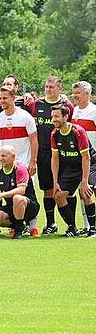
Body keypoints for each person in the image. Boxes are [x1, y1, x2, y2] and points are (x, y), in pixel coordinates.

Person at [0, 85, 39, 236]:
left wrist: (33, 161)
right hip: (5, 163)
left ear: (13, 98)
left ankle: (33, 227)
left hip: (23, 163)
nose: (1, 101)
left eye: (5, 98)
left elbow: (34, 140)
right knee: (8, 197)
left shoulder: (25, 117)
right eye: (0, 98)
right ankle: (16, 226)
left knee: (27, 194)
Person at [26, 77, 74, 234]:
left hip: (64, 153)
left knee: (67, 190)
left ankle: (71, 225)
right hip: (44, 153)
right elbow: (11, 100)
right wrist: (25, 96)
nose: (48, 89)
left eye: (52, 87)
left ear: (60, 88)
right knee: (48, 189)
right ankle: (50, 223)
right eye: (46, 86)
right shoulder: (36, 104)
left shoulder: (67, 106)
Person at [49, 105, 96, 237]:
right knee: (58, 195)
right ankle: (72, 228)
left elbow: (86, 158)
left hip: (88, 165)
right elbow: (55, 158)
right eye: (52, 116)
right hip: (71, 168)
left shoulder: (77, 131)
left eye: (57, 116)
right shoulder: (54, 133)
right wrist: (55, 182)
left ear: (65, 117)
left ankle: (92, 229)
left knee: (85, 192)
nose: (54, 119)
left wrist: (85, 181)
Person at [0, 145, 40, 239]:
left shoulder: (20, 169)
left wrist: (1, 195)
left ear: (13, 156)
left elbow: (21, 190)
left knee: (17, 198)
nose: (0, 158)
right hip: (11, 207)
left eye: (4, 156)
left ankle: (19, 229)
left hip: (29, 206)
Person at [71, 80, 96, 233]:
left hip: (94, 157)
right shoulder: (75, 110)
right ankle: (87, 226)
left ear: (87, 94)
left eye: (78, 93)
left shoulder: (94, 111)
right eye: (74, 93)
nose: (75, 95)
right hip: (81, 158)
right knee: (83, 191)